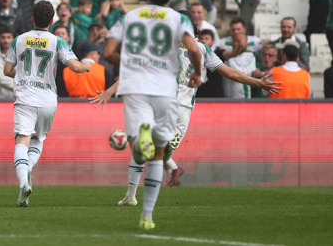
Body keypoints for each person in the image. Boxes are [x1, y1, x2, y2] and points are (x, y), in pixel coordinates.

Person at [100, 11, 279, 199]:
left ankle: (134, 189)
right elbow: (230, 73)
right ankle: (138, 186)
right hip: (177, 107)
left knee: (157, 153)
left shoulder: (165, 48)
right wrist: (257, 82)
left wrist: (110, 91)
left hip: (168, 106)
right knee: (160, 152)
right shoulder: (198, 49)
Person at [102, 0, 201, 230]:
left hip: (136, 86)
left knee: (139, 145)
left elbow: (108, 52)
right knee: (158, 154)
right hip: (166, 88)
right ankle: (147, 216)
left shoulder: (129, 16)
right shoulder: (179, 19)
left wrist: (130, 66)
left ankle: (137, 143)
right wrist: (198, 73)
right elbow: (193, 48)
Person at [3, 0, 90, 207]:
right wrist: (87, 66)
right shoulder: (57, 41)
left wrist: (24, 75)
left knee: (22, 140)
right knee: (38, 139)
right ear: (52, 21)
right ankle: (28, 167)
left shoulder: (19, 39)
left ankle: (23, 181)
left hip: (25, 98)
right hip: (48, 100)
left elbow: (7, 70)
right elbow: (75, 67)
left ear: (32, 18)